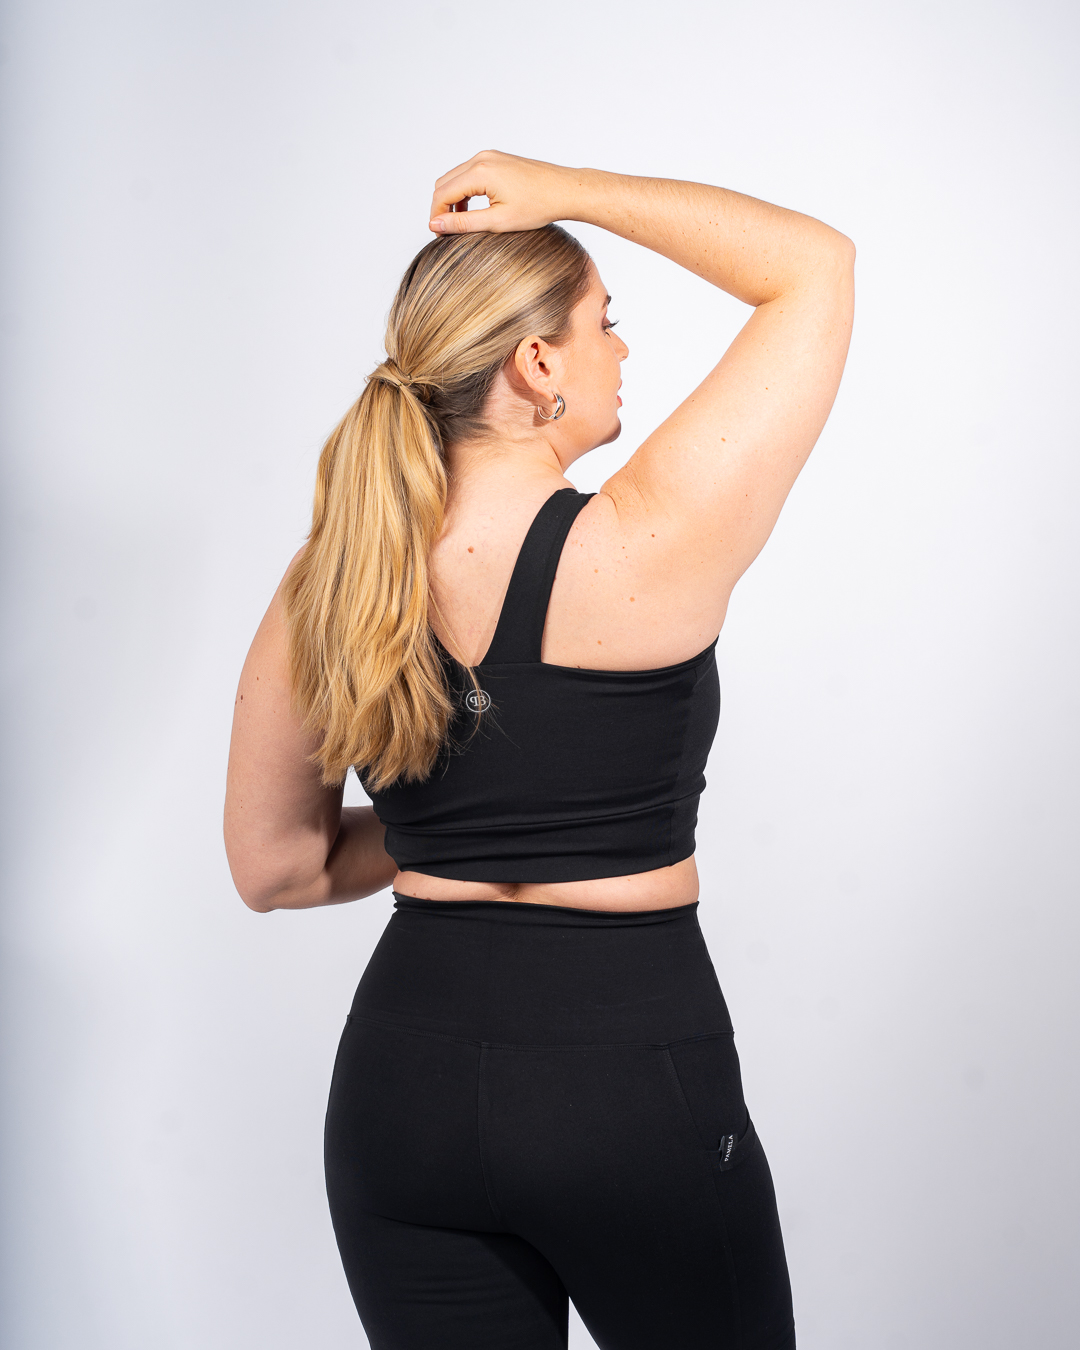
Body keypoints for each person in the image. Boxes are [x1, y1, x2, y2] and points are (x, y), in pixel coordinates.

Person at [224, 150, 854, 1350]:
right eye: (604, 322)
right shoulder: (650, 537)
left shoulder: (333, 580)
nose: (624, 348)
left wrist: (451, 833)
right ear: (537, 363)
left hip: (402, 1091)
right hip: (627, 1082)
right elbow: (813, 266)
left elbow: (277, 867)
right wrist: (566, 190)